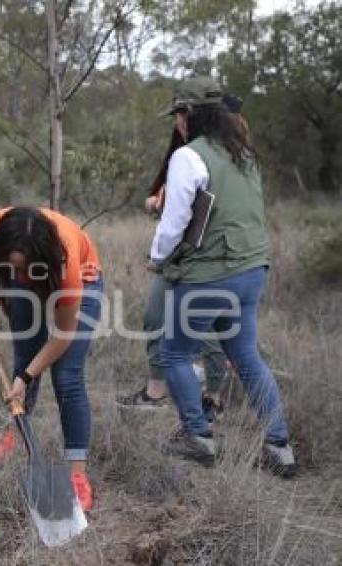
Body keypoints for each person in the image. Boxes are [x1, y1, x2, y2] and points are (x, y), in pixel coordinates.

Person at [150, 77, 295, 477]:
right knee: (245, 354)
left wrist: (157, 256)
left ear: (191, 115)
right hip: (252, 271)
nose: (177, 123)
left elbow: (176, 218)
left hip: (208, 276)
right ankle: (279, 445)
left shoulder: (188, 156)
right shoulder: (244, 155)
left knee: (174, 353)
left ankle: (198, 437)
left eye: (179, 114)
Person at [116, 92, 248, 420]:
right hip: (177, 250)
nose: (177, 121)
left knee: (205, 326)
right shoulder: (183, 150)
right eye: (176, 115)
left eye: (182, 114)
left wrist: (160, 250)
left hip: (207, 254)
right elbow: (173, 199)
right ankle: (156, 388)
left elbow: (209, 207)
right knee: (154, 315)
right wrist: (158, 206)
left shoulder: (226, 153)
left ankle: (213, 396)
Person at [0, 206, 103, 511]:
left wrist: (26, 378)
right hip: (29, 260)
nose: (22, 276)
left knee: (67, 377)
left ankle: (77, 474)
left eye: (26, 268)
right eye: (13, 267)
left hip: (81, 274)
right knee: (26, 351)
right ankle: (15, 437)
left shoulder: (65, 268)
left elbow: (63, 335)